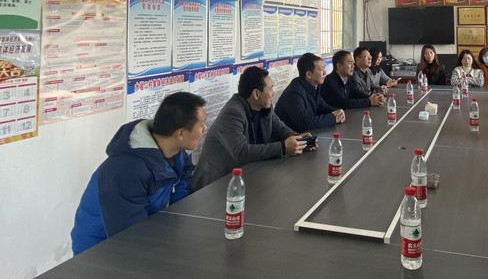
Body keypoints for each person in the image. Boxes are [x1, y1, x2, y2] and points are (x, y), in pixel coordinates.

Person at [71, 92, 207, 255]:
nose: (205, 129)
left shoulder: (177, 154)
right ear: (181, 134)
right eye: (201, 124)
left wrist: (177, 218)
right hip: (99, 250)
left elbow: (184, 184)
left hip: (141, 234)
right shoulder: (126, 171)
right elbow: (128, 236)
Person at [193, 67, 313, 189]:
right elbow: (242, 152)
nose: (273, 92)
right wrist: (283, 147)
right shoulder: (232, 113)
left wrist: (300, 140)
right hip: (217, 183)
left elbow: (280, 129)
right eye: (271, 88)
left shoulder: (266, 107)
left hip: (247, 174)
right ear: (256, 94)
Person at [275, 53, 346, 133]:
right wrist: (333, 118)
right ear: (309, 74)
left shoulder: (314, 86)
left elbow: (323, 107)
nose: (325, 73)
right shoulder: (294, 93)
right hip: (291, 138)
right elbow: (306, 123)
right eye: (321, 69)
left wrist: (339, 112)